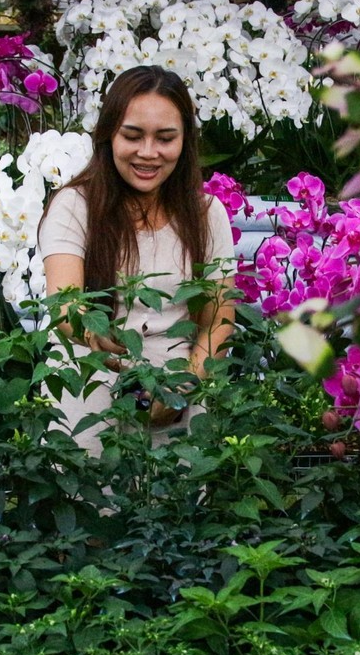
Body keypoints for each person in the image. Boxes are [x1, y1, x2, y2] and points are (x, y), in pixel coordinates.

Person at [37, 65, 236, 455]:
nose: (148, 153)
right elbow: (66, 307)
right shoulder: (75, 206)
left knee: (177, 504)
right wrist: (99, 338)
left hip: (180, 380)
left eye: (165, 138)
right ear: (109, 134)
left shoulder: (205, 214)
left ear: (185, 142)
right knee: (87, 502)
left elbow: (219, 320)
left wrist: (181, 388)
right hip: (91, 373)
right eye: (132, 136)